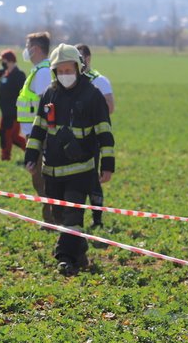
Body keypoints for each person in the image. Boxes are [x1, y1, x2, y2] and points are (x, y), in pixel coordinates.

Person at [24, 44, 115, 276]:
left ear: (78, 68)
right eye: (60, 70)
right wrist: (31, 155)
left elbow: (105, 131)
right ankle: (80, 251)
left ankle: (65, 258)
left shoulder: (92, 95)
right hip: (52, 171)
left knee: (73, 216)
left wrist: (107, 164)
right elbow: (38, 129)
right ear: (55, 71)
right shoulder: (49, 94)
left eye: (69, 69)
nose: (65, 75)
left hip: (80, 170)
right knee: (59, 217)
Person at [16, 32, 54, 223]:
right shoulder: (38, 71)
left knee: (41, 179)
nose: (25, 50)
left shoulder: (43, 73)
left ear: (36, 49)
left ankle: (52, 221)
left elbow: (45, 106)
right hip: (33, 134)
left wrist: (39, 136)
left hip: (39, 134)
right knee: (38, 179)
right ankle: (50, 220)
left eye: (27, 45)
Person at [76, 43, 115, 228]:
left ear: (88, 59)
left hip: (93, 137)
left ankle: (97, 219)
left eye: (80, 57)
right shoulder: (71, 79)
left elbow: (110, 107)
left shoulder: (99, 80)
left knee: (92, 177)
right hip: (73, 137)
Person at [0, 49, 27, 161]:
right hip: (5, 111)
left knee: (6, 134)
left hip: (13, 111)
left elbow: (23, 93)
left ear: (10, 60)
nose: (2, 63)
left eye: (3, 60)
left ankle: (5, 157)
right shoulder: (5, 72)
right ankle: (31, 150)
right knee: (11, 135)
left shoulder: (19, 74)